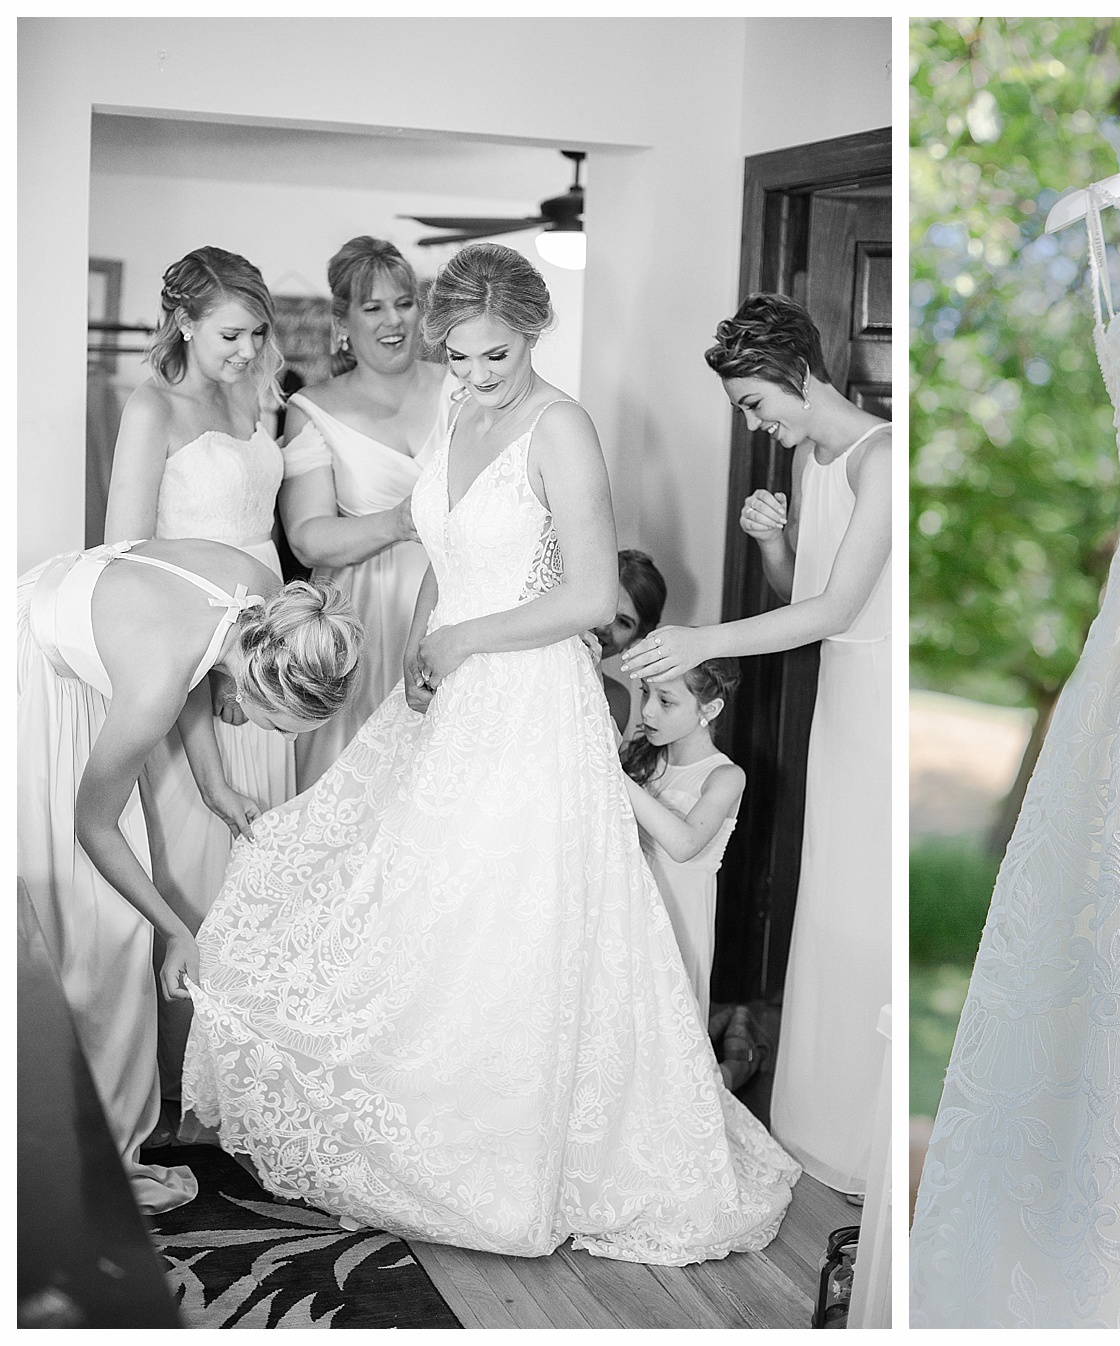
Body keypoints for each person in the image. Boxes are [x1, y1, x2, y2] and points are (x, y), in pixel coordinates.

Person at [183, 243, 799, 1262]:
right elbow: (450, 552)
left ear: (532, 331)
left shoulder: (562, 426)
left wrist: (463, 639)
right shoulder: (459, 410)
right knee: (403, 904)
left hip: (528, 701)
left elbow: (592, 594)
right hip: (447, 686)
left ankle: (511, 1163)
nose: (472, 377)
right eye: (458, 358)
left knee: (505, 919)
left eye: (493, 358)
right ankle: (420, 1138)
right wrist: (425, 654)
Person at [621, 292, 891, 1197]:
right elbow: (801, 596)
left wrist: (701, 640)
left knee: (870, 895)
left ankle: (870, 1132)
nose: (755, 423)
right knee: (834, 892)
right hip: (842, 697)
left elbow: (844, 610)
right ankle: (817, 1118)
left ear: (798, 374)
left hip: (883, 693)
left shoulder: (887, 455)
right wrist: (776, 547)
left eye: (754, 402)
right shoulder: (818, 456)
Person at [17, 536, 359, 1214]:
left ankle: (97, 1127)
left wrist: (213, 785)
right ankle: (66, 1147)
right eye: (277, 726)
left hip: (96, 651)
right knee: (95, 928)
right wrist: (175, 930)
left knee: (107, 925)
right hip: (32, 682)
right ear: (260, 681)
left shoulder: (260, 595)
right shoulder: (152, 685)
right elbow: (96, 825)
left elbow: (200, 662)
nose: (273, 736)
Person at [103, 246, 299, 1094]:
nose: (249, 349)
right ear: (183, 321)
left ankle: (246, 1089)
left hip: (264, 651)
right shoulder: (154, 407)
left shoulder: (253, 390)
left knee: (261, 866)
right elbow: (125, 559)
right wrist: (209, 660)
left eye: (258, 331)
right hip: (186, 651)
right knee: (196, 867)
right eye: (230, 333)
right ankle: (183, 1086)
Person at [279, 237, 459, 790]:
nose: (394, 321)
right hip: (365, 613)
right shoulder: (311, 409)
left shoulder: (462, 385)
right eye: (373, 307)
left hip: (455, 602)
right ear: (343, 322)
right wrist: (402, 521)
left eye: (404, 303)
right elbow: (308, 538)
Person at [620, 658, 746, 1019]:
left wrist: (613, 774)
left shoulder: (724, 776)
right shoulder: (643, 758)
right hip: (632, 904)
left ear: (710, 708)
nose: (647, 712)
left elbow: (684, 845)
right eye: (645, 693)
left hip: (679, 916)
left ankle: (739, 1054)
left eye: (666, 701)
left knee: (667, 1024)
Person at [580, 547, 667, 736]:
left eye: (623, 622)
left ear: (637, 636)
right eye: (602, 607)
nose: (604, 627)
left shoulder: (615, 699)